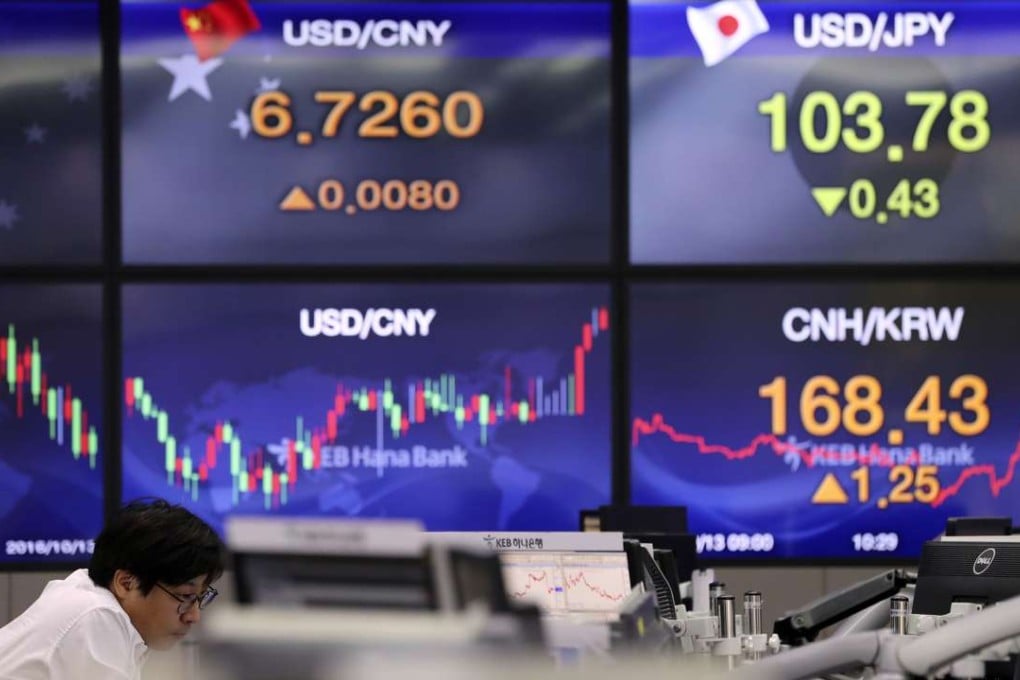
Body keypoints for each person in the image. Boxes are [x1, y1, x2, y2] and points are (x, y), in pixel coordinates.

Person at [0, 498, 225, 680]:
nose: (193, 616)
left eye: (200, 598)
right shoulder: (96, 616)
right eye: (185, 596)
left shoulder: (98, 607)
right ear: (126, 583)